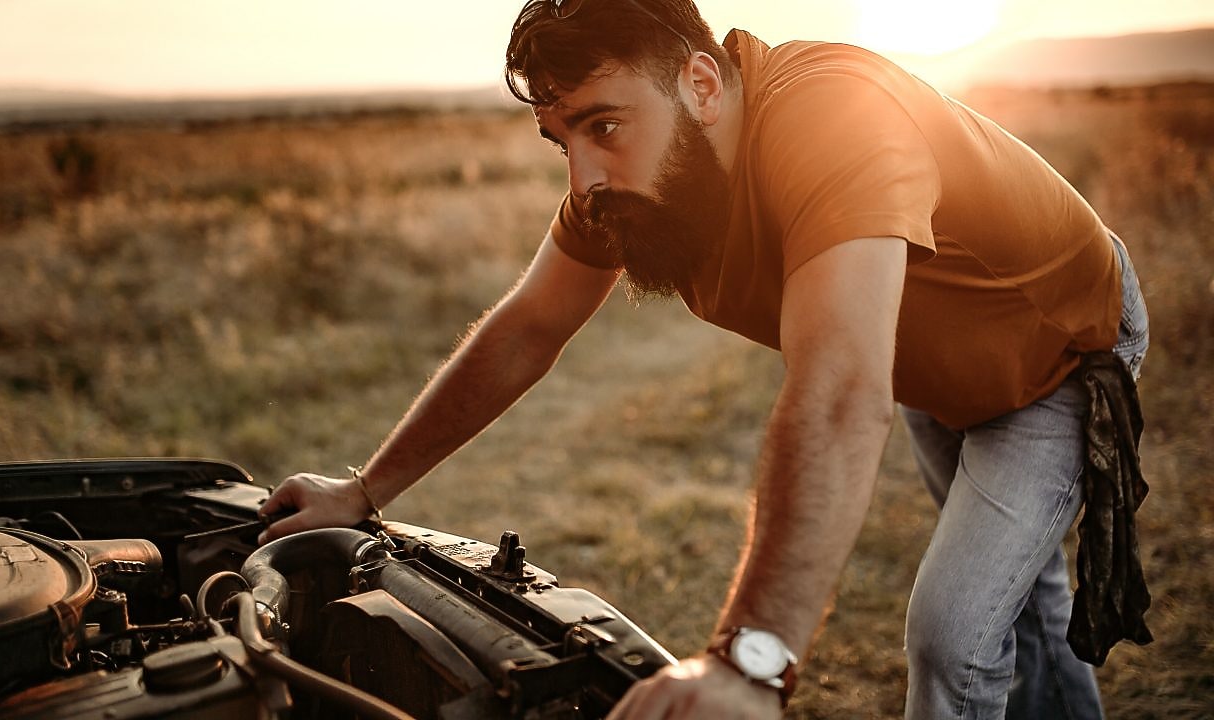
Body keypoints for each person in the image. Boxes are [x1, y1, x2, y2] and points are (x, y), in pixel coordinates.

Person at [260, 1, 1152, 717]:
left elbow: (841, 387)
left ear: (700, 83)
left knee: (954, 638)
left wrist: (748, 661)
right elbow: (527, 328)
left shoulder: (830, 115)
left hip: (1060, 351)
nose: (582, 178)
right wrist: (363, 491)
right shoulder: (629, 187)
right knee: (1021, 604)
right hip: (927, 367)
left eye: (604, 125)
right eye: (561, 140)